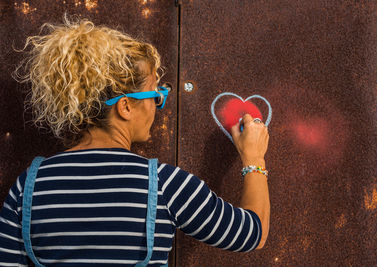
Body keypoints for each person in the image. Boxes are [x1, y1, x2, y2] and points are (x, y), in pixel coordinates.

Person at [0, 17, 270, 266]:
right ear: (125, 106)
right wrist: (253, 158)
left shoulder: (28, 187)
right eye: (155, 95)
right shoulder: (164, 185)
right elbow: (251, 234)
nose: (157, 106)